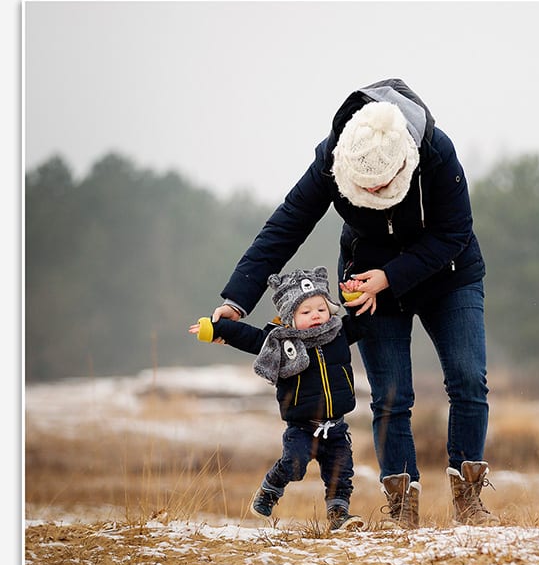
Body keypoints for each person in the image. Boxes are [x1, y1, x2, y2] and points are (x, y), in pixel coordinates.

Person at [209, 78, 499, 529]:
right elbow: (287, 224)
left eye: (385, 186)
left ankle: (470, 501)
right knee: (391, 395)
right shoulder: (331, 157)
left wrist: (392, 276)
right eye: (368, 189)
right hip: (366, 283)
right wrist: (236, 300)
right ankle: (403, 508)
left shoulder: (436, 151)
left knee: (468, 379)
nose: (377, 197)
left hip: (449, 275)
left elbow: (455, 231)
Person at [189, 266, 365, 532]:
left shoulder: (338, 332)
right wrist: (215, 328)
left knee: (341, 474)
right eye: (306, 312)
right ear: (289, 316)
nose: (316, 315)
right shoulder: (279, 342)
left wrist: (354, 297)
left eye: (321, 309)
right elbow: (248, 337)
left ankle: (339, 515)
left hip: (336, 426)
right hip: (302, 427)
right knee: (294, 465)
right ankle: (270, 489)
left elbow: (364, 321)